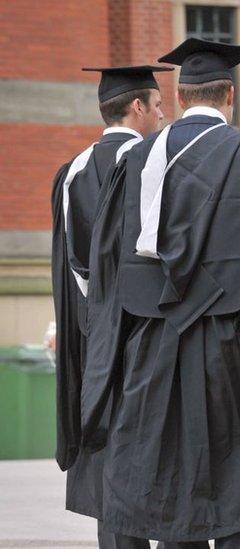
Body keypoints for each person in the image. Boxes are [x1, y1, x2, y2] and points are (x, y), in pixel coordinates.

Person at [80, 38, 240, 548]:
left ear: (180, 96)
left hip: (153, 353)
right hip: (233, 352)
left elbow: (108, 270)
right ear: (229, 95)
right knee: (239, 487)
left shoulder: (136, 161)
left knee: (169, 489)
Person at [51, 64, 169, 549]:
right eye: (158, 105)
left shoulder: (73, 170)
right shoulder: (156, 160)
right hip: (153, 335)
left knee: (110, 463)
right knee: (161, 453)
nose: (163, 114)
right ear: (137, 107)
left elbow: (72, 263)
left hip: (96, 338)